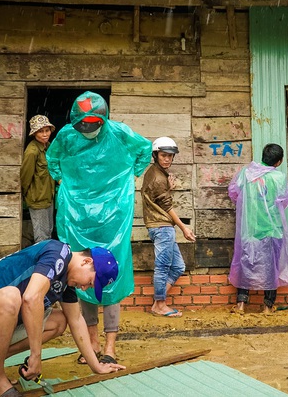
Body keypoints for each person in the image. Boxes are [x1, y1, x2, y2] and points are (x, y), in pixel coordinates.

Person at [0, 240, 125, 397]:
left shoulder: (65, 280)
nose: (85, 288)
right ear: (86, 261)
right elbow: (31, 298)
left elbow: (76, 320)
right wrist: (36, 355)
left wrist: (97, 367)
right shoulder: (57, 252)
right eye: (91, 282)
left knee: (60, 321)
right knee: (11, 297)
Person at [47, 91, 152, 365]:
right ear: (75, 121)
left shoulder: (118, 132)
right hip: (79, 215)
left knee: (110, 277)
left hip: (113, 217)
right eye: (83, 124)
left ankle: (110, 346)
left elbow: (144, 149)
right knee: (84, 277)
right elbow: (53, 159)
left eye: (94, 123)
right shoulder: (67, 136)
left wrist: (131, 175)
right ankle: (92, 342)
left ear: (103, 120)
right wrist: (63, 182)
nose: (88, 128)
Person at [228, 143, 288, 314]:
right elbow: (285, 200)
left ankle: (241, 305)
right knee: (271, 267)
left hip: (249, 228)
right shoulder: (279, 178)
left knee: (246, 262)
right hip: (272, 229)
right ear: (279, 161)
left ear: (263, 156)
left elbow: (233, 193)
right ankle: (268, 306)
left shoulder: (246, 173)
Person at [141, 137, 196, 317]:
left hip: (160, 225)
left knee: (178, 266)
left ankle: (158, 301)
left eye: (170, 156)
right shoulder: (158, 177)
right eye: (164, 155)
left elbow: (157, 199)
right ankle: (160, 304)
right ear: (155, 155)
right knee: (163, 266)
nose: (167, 159)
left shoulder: (155, 173)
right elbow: (166, 206)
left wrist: (168, 190)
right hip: (162, 227)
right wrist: (184, 228)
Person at [20, 115, 56, 244]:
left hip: (48, 197)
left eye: (47, 130)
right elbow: (25, 177)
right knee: (41, 236)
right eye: (41, 131)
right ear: (34, 133)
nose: (45, 134)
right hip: (37, 199)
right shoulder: (32, 151)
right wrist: (26, 195)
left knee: (48, 232)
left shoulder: (48, 146)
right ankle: (41, 262)